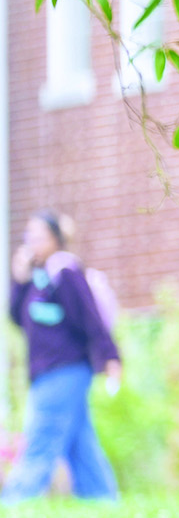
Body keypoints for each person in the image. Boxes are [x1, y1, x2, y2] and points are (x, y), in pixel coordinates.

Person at [4, 210, 122, 502]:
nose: (32, 243)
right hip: (46, 371)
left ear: (56, 240)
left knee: (40, 439)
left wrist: (110, 356)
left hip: (65, 369)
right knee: (81, 446)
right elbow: (18, 319)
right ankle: (103, 502)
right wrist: (19, 281)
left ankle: (14, 504)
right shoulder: (35, 277)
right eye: (28, 237)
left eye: (39, 236)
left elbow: (89, 316)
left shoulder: (64, 271)